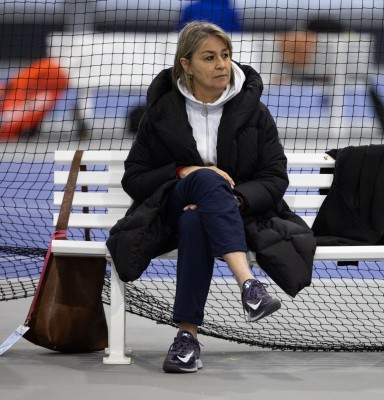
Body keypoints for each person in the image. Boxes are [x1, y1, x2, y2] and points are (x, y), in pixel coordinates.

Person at [113, 21, 314, 374]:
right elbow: (135, 177)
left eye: (225, 55)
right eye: (209, 57)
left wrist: (233, 200)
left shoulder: (255, 112)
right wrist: (183, 172)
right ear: (186, 64)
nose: (222, 64)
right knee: (204, 178)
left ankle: (186, 338)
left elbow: (274, 177)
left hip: (234, 214)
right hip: (170, 210)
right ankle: (249, 285)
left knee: (197, 219)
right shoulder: (161, 112)